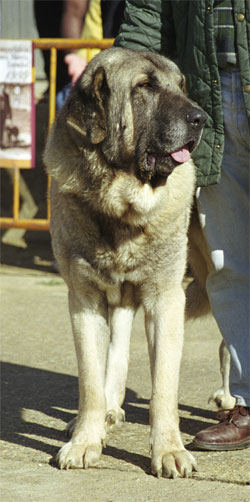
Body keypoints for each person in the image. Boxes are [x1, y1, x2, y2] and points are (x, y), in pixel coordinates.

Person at [114, 0, 250, 450]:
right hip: (207, 98)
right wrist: (110, 80)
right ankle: (247, 401)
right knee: (229, 263)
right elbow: (147, 15)